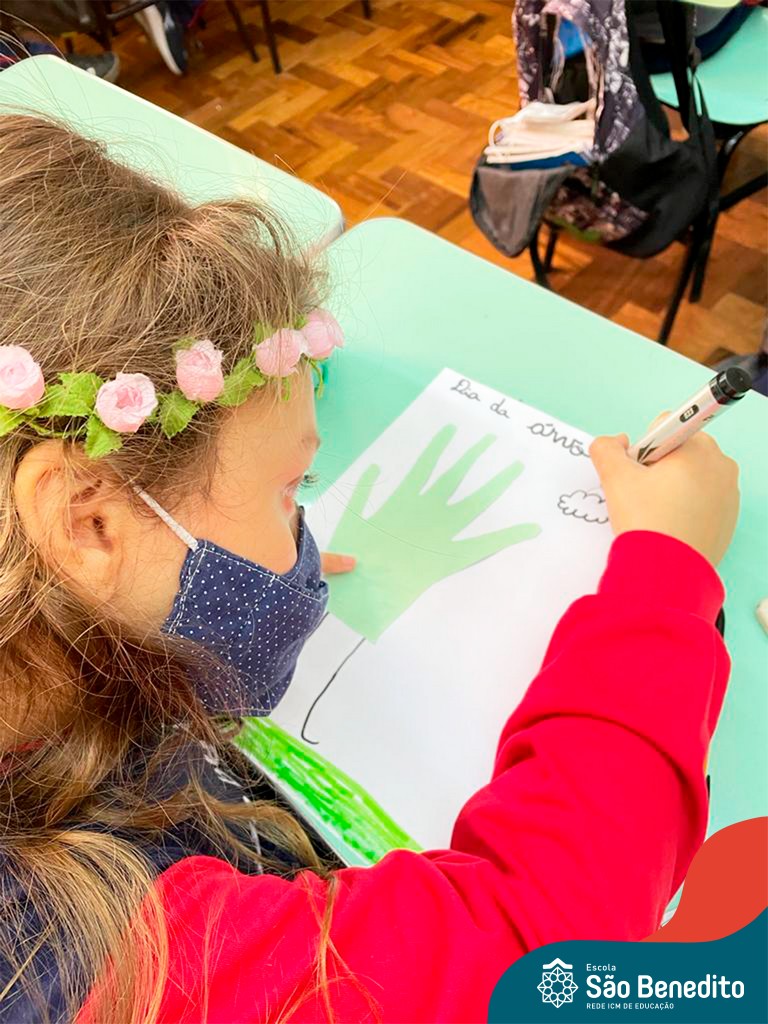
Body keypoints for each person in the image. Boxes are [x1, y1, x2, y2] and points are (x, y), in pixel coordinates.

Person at [0, 114, 737, 1024]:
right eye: (292, 491)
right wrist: (666, 575)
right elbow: (540, 947)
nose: (304, 532)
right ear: (87, 520)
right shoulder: (99, 963)